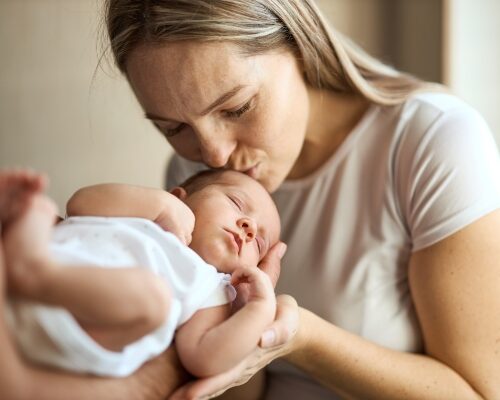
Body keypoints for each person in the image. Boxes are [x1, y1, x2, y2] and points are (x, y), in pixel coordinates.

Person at [99, 1, 500, 399]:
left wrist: (300, 336)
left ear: (299, 46)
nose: (214, 154)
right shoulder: (191, 177)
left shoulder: (432, 142)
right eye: (174, 128)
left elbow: (479, 394)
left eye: (236, 108)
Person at [0, 168, 280, 399]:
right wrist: (161, 204)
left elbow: (203, 357)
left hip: (82, 330)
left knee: (154, 299)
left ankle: (35, 273)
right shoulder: (149, 213)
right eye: (236, 203)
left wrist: (259, 309)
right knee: (39, 206)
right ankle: (24, 260)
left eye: (259, 241)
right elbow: (80, 203)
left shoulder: (213, 288)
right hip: (37, 269)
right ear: (181, 197)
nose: (249, 227)